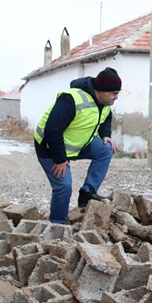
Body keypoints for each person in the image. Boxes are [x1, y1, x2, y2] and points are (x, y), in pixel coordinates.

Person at [34, 67, 121, 224]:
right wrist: (60, 159)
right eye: (114, 93)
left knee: (106, 149)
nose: (116, 97)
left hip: (80, 144)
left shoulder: (104, 102)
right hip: (49, 147)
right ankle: (58, 224)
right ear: (100, 91)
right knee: (64, 186)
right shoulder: (71, 99)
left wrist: (105, 135)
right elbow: (52, 130)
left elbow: (106, 117)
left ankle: (87, 192)